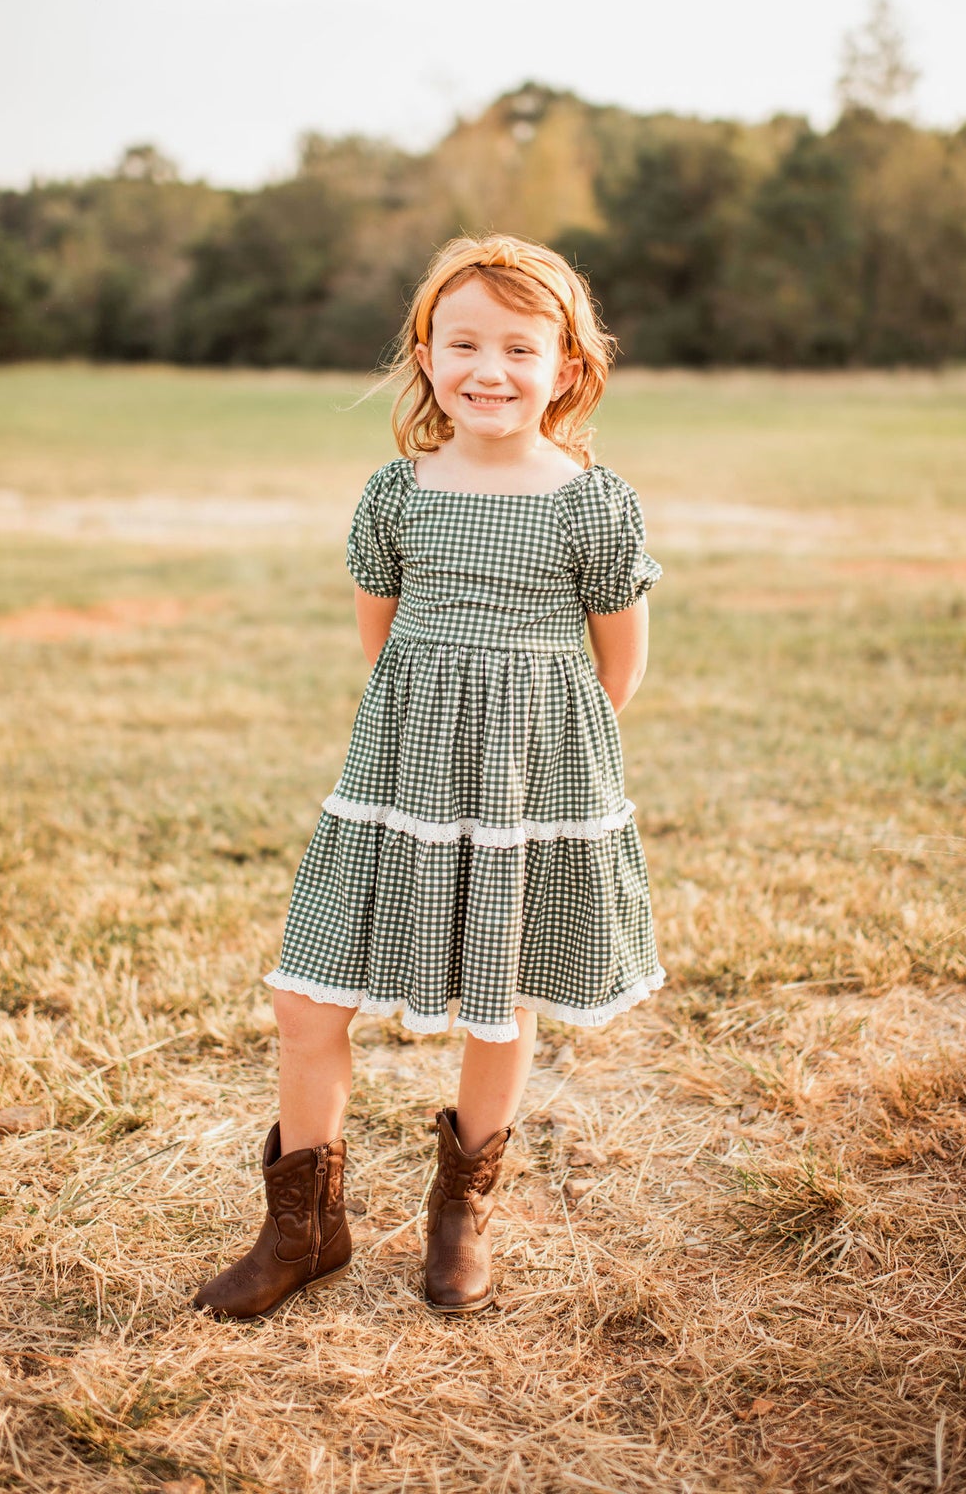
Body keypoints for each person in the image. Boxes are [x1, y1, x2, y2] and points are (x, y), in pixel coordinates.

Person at [193, 234, 664, 1322]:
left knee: (495, 1003)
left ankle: (463, 1216)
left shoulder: (594, 504)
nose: (487, 369)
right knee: (304, 997)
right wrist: (437, 737)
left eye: (517, 345)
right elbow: (383, 645)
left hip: (526, 792)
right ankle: (304, 1226)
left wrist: (523, 760)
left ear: (567, 367)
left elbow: (617, 670)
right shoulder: (396, 492)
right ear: (426, 352)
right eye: (462, 342)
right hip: (397, 781)